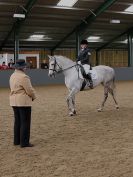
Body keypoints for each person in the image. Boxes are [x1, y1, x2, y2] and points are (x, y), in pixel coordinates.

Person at [9, 59, 36, 148]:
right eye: (25, 66)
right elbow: (29, 90)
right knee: (25, 122)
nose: (26, 68)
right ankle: (24, 142)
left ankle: (16, 141)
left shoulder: (12, 75)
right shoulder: (24, 77)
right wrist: (34, 96)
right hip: (23, 101)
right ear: (22, 67)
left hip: (13, 101)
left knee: (17, 121)